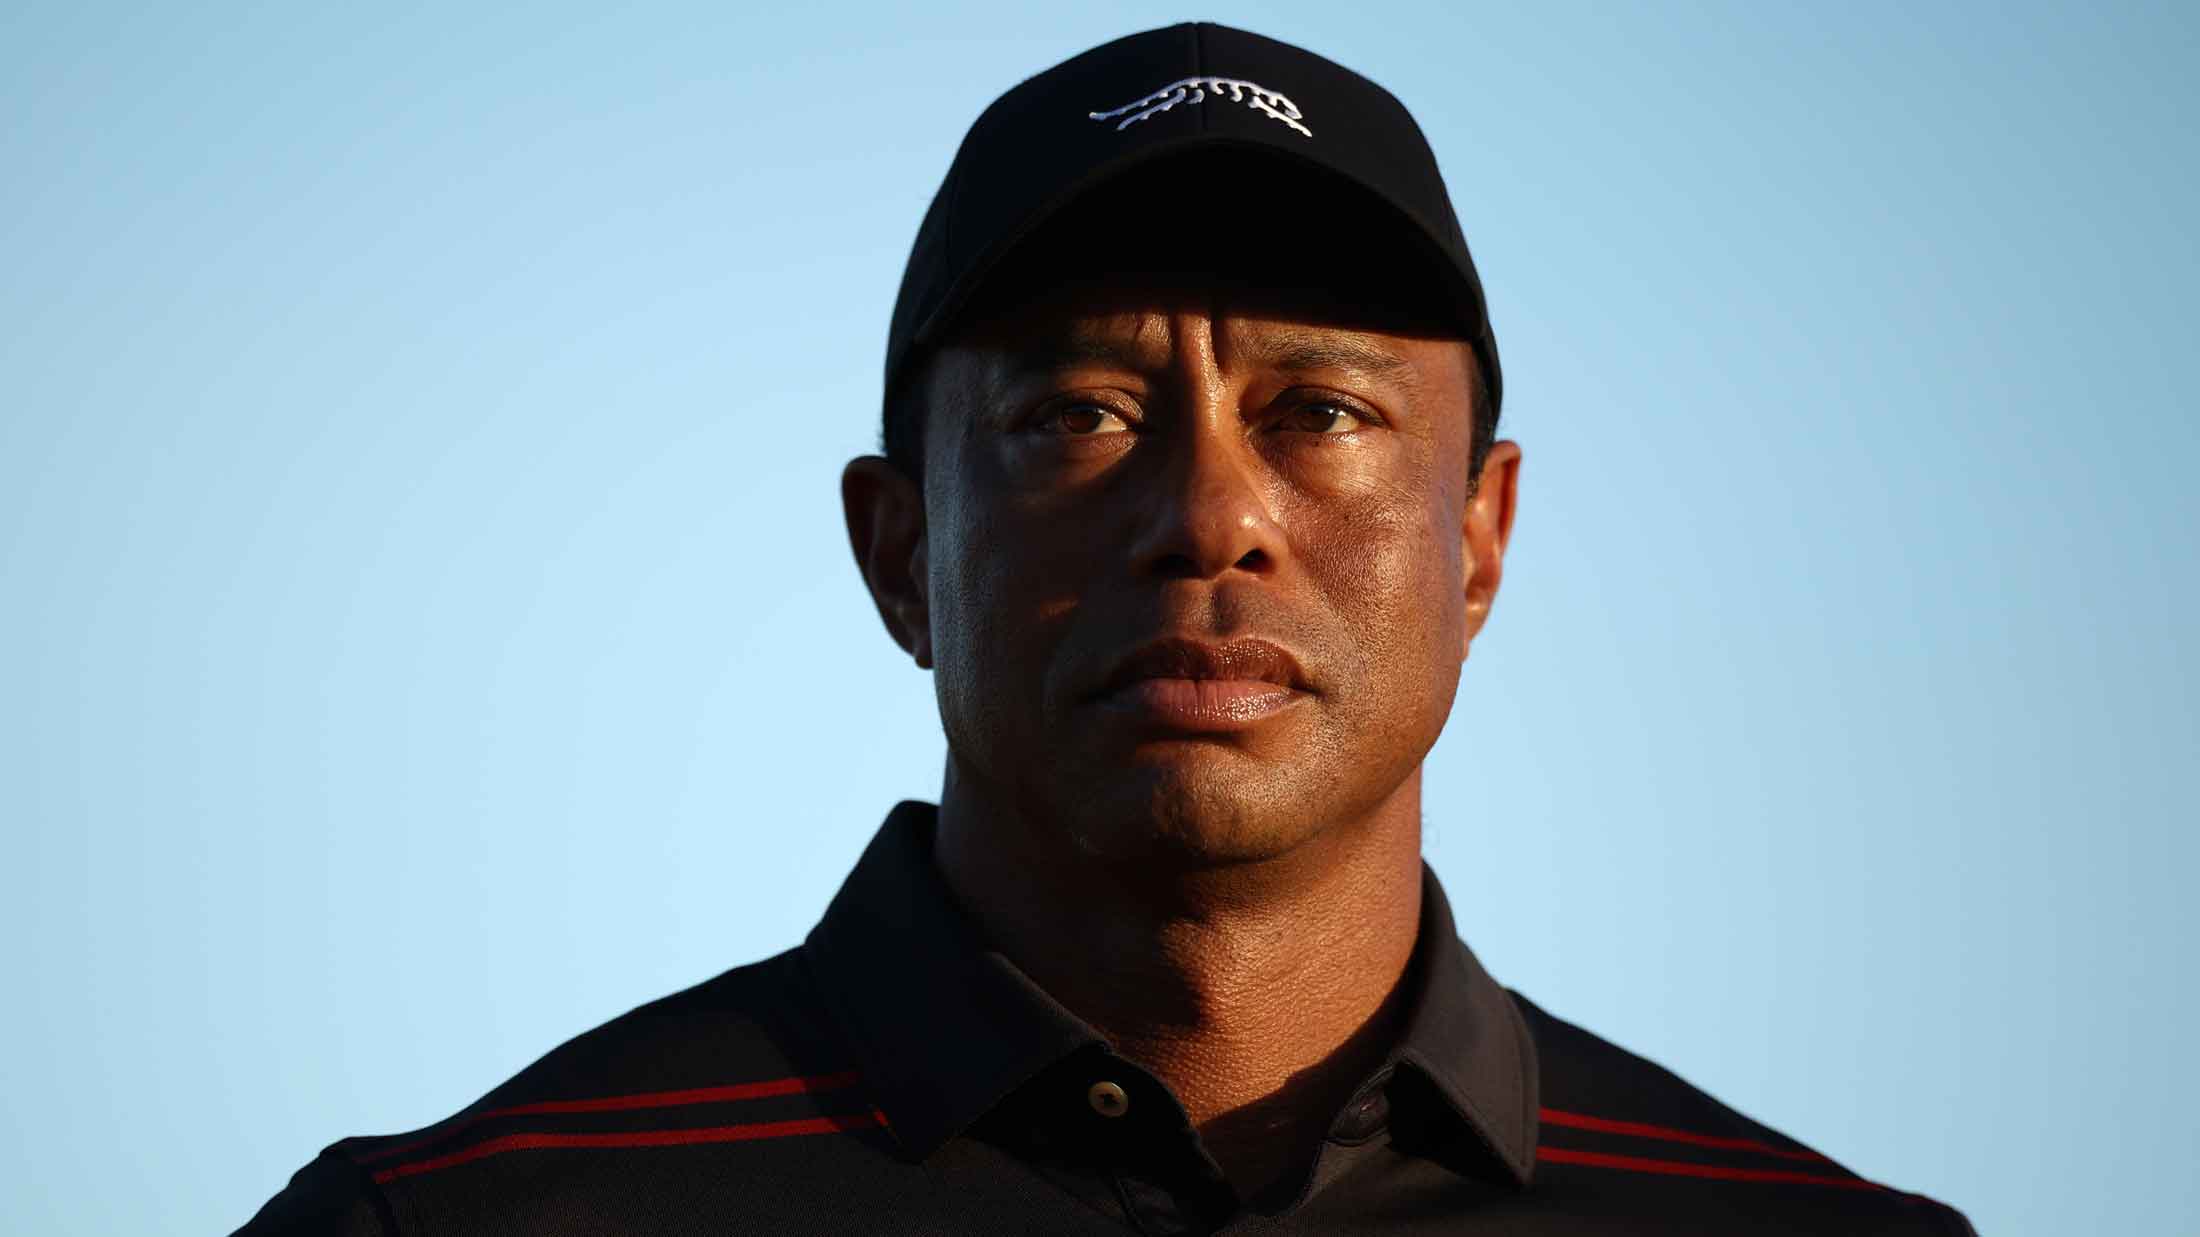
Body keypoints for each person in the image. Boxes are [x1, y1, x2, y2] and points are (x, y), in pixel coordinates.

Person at [237, 23, 1974, 1235]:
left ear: (1479, 537)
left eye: (1323, 410)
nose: (1212, 514)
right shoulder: (472, 1220)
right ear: (901, 550)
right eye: (1080, 414)